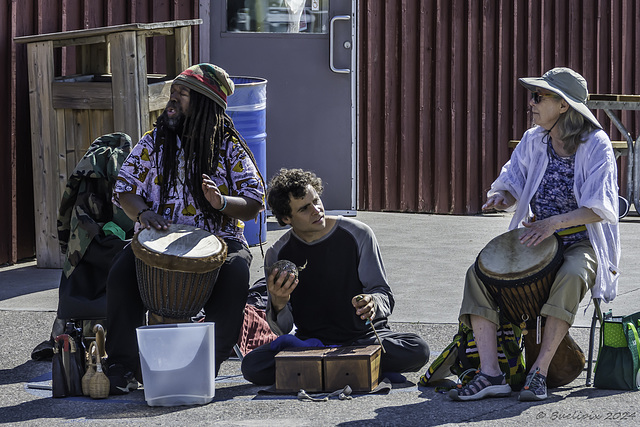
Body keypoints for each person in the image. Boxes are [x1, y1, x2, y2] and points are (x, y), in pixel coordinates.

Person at [449, 67, 620, 402]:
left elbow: (600, 207)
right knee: (478, 274)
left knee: (571, 274)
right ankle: (490, 374)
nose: (532, 102)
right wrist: (504, 197)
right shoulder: (534, 139)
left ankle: (538, 373)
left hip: (580, 241)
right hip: (539, 237)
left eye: (540, 96)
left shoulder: (595, 144)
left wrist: (553, 223)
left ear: (564, 106)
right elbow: (514, 179)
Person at [104, 63, 265, 394]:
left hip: (220, 241)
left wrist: (221, 202)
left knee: (236, 272)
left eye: (183, 93)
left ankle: (208, 362)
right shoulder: (155, 141)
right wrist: (143, 214)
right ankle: (123, 363)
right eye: (172, 92)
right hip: (158, 238)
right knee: (121, 273)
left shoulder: (229, 147)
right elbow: (124, 188)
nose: (172, 99)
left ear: (205, 103)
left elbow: (254, 199)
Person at [241, 168, 430, 385]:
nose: (316, 210)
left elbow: (384, 294)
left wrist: (372, 303)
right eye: (304, 208)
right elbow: (282, 329)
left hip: (364, 338)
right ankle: (352, 367)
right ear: (286, 218)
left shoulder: (358, 233)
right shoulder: (277, 254)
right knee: (252, 366)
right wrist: (279, 303)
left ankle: (325, 370)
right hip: (311, 344)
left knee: (418, 349)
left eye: (316, 200)